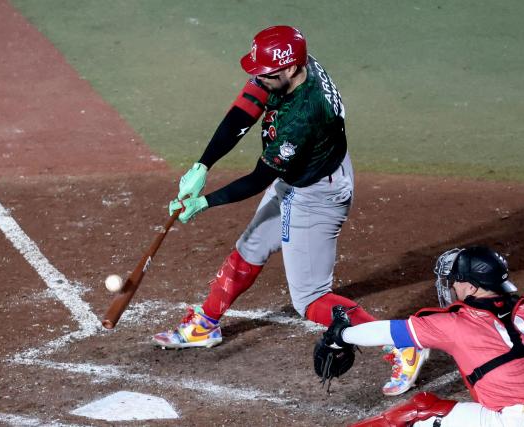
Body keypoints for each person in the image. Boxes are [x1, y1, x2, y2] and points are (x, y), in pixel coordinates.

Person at [152, 25, 426, 395]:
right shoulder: (290, 70)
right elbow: (244, 111)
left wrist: (205, 202)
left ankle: (402, 343)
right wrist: (203, 166)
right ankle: (206, 324)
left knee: (312, 300)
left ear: (290, 69)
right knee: (250, 248)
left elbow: (257, 179)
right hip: (305, 174)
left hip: (316, 194)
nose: (257, 78)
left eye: (265, 73)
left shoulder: (304, 114)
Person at [322, 246, 524, 426]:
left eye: (457, 281)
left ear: (471, 287)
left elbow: (387, 332)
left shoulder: (453, 324)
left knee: (419, 413)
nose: (453, 285)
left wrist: (342, 334)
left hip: (514, 420)